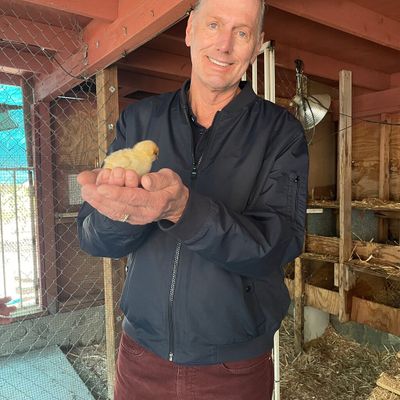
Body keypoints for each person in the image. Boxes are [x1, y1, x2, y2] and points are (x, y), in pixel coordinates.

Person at [77, 0, 308, 398]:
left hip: (233, 368)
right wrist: (120, 212)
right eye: (214, 25)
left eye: (241, 32)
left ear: (256, 46)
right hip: (141, 358)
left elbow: (280, 245)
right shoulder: (140, 120)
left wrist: (184, 210)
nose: (224, 45)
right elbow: (93, 238)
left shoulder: (281, 133)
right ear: (189, 31)